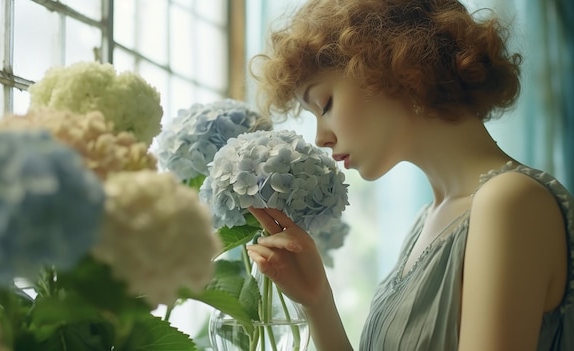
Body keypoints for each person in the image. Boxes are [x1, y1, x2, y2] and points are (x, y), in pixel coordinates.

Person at [245, 0, 574, 350]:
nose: (320, 137)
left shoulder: (510, 202)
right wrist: (317, 301)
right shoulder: (427, 221)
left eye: (324, 104)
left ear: (395, 69)